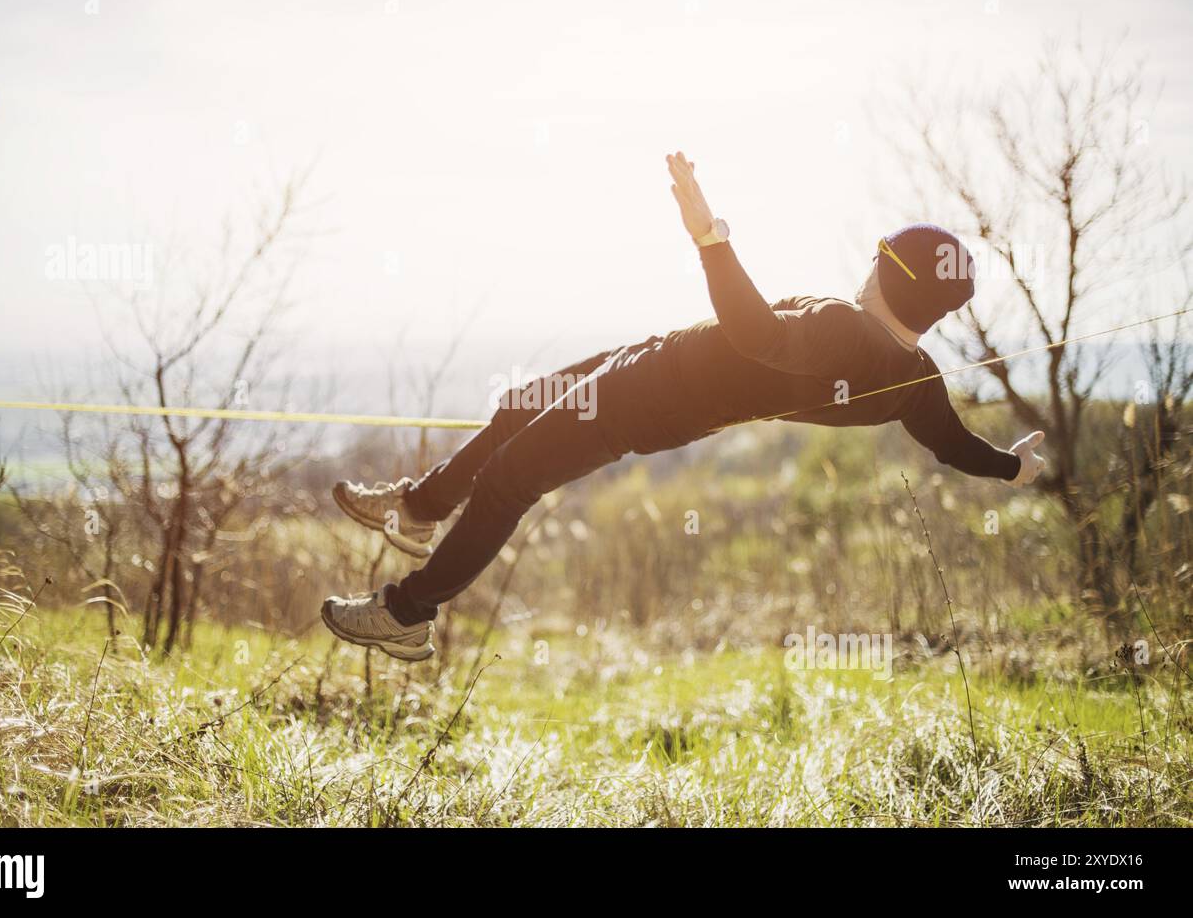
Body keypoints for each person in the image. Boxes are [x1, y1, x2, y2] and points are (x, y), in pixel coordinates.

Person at [320, 151, 1048, 661]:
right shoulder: (915, 377)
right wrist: (1011, 469)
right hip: (652, 369)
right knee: (518, 407)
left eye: (879, 255)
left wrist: (711, 238)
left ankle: (407, 614)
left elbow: (757, 333)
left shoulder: (844, 329)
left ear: (890, 273)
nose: (866, 262)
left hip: (640, 398)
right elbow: (952, 444)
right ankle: (419, 509)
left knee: (510, 481)